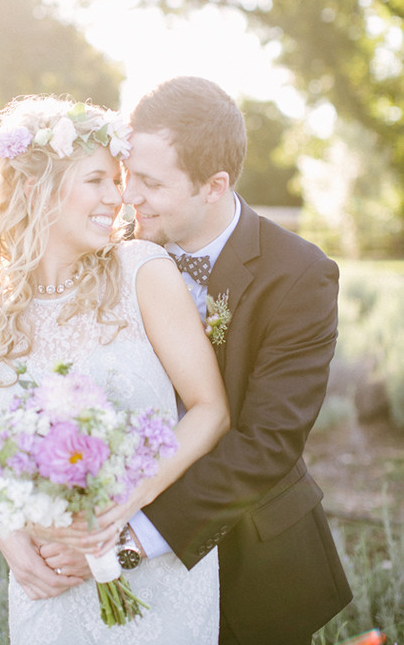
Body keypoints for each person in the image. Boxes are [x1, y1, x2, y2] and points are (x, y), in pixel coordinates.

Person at [0, 94, 230, 645]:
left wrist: (123, 509)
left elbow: (210, 410)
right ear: (37, 188)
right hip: (46, 576)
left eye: (117, 180)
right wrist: (9, 533)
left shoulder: (142, 271)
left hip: (157, 570)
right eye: (97, 180)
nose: (117, 197)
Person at [119, 76, 353, 645]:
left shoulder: (299, 276)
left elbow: (268, 442)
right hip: (121, 560)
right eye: (128, 176)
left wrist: (136, 536)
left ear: (214, 185)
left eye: (150, 182)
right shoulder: (114, 253)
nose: (129, 197)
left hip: (251, 558)